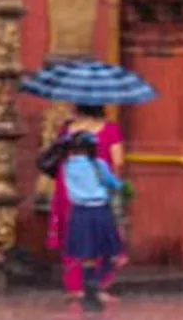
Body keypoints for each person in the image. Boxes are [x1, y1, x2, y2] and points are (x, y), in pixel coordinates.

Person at [48, 103, 129, 301]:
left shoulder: (67, 130)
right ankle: (97, 285)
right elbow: (118, 162)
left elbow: (57, 155)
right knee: (102, 239)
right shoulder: (110, 130)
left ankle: (75, 286)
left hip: (68, 189)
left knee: (75, 236)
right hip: (99, 191)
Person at [61, 131, 125, 312]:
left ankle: (88, 287)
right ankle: (95, 282)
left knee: (86, 255)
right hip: (99, 210)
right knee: (111, 251)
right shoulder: (98, 165)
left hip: (79, 212)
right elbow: (114, 184)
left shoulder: (67, 166)